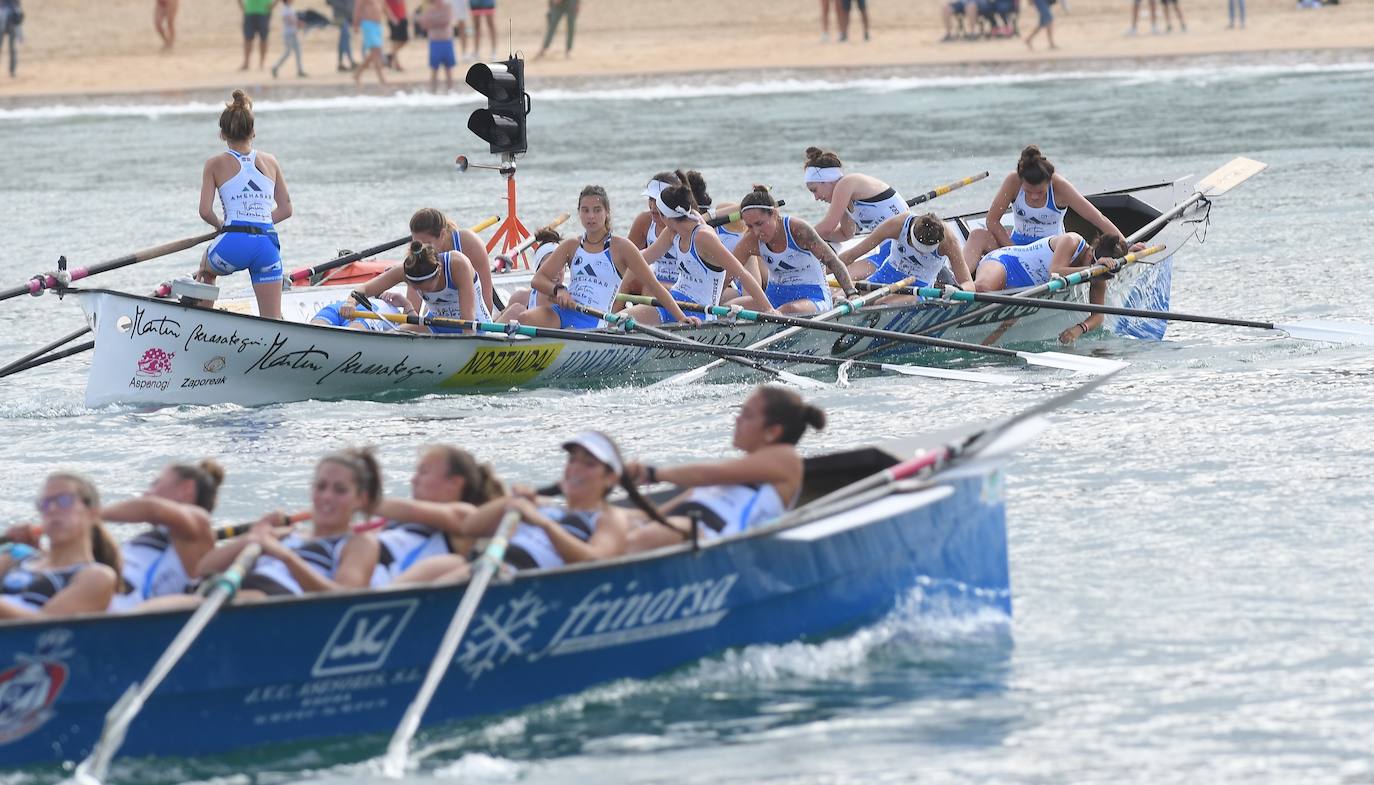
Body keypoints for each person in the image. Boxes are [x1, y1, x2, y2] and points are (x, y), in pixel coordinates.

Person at [396, 432, 633, 581]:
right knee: (442, 565)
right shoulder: (545, 505)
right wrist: (509, 502)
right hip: (486, 566)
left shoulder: (608, 518)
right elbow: (470, 526)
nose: (575, 469)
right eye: (572, 461)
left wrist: (542, 523)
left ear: (610, 478)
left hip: (519, 578)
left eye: (589, 464)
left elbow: (596, 562)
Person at [625, 386, 824, 552]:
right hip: (681, 522)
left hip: (709, 534)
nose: (737, 420)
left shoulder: (787, 458)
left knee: (637, 539)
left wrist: (652, 474)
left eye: (747, 415)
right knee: (612, 522)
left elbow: (705, 474)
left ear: (773, 432)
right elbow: (662, 511)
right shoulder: (738, 472)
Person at [198, 449, 381, 598]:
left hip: (277, 602)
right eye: (321, 486)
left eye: (340, 490)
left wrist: (286, 556)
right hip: (237, 594)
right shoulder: (287, 534)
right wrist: (253, 537)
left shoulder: (359, 543)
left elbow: (344, 599)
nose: (327, 496)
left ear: (360, 499)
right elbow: (202, 569)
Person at [510, 185, 697, 330]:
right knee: (525, 319)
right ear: (579, 213)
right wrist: (559, 290)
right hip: (566, 311)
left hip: (596, 318)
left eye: (597, 210)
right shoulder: (571, 246)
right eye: (585, 210)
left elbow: (655, 286)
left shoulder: (622, 248)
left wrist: (681, 318)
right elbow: (538, 280)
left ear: (607, 212)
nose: (591, 216)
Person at [195, 90, 292, 320]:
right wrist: (260, 220)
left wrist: (222, 225)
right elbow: (286, 209)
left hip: (234, 243)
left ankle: (201, 325)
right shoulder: (271, 161)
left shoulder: (214, 164)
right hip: (267, 245)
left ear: (222, 134)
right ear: (253, 131)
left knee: (206, 269)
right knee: (272, 318)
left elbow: (205, 211)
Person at [621, 178, 772, 327]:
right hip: (673, 302)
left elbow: (742, 273)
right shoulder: (672, 232)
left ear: (665, 216)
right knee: (617, 321)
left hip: (700, 313)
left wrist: (769, 309)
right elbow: (642, 259)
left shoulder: (704, 237)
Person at [962, 145, 1123, 263]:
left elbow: (1097, 218)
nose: (1033, 197)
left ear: (1049, 181)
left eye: (1040, 192)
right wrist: (1012, 250)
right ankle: (960, 286)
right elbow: (992, 220)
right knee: (977, 235)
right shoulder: (1013, 181)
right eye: (1028, 191)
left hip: (1052, 250)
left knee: (1087, 254)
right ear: (1021, 180)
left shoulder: (1060, 187)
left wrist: (1126, 245)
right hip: (1017, 245)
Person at [371, 445, 504, 585]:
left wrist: (360, 501)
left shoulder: (464, 516)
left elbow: (411, 510)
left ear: (454, 483)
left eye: (423, 472)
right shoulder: (398, 521)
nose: (413, 480)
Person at [102, 461, 222, 611]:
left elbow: (152, 508)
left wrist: (92, 515)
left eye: (155, 484)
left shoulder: (199, 526)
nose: (146, 493)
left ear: (186, 489)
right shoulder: (153, 536)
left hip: (121, 612)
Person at [0, 473, 120, 619]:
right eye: (45, 503)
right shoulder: (16, 557)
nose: (52, 509)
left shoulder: (97, 576)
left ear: (92, 514)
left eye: (64, 500)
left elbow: (45, 629)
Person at [728, 185, 860, 315]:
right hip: (773, 301)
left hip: (813, 297)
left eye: (759, 223)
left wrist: (851, 293)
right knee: (728, 306)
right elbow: (729, 273)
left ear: (774, 214)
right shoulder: (751, 240)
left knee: (789, 310)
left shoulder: (798, 230)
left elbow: (832, 261)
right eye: (749, 226)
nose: (756, 232)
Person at [352, 241, 485, 333]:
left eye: (427, 288)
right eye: (418, 288)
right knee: (395, 334)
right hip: (436, 325)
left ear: (439, 271)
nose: (423, 291)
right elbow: (364, 289)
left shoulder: (457, 264)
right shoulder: (405, 269)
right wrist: (350, 303)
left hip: (475, 327)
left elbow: (468, 318)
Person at [839, 212, 973, 302]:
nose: (921, 253)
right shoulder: (897, 225)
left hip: (920, 288)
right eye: (920, 248)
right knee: (839, 297)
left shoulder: (949, 242)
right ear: (910, 234)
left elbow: (969, 285)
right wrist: (823, 269)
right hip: (886, 276)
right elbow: (852, 255)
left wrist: (957, 291)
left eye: (927, 250)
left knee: (880, 303)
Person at [803, 147, 908, 243]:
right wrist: (816, 236)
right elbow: (845, 234)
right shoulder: (844, 197)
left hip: (905, 239)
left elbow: (827, 228)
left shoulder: (846, 183)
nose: (816, 198)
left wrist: (797, 238)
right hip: (895, 242)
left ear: (827, 180)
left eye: (814, 190)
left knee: (843, 262)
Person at [408, 207, 496, 316]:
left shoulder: (470, 244)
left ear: (442, 235)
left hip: (472, 312)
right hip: (441, 313)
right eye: (417, 244)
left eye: (427, 243)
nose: (422, 251)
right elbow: (413, 307)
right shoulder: (418, 254)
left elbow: (486, 298)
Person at [310, 290, 406, 330]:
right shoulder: (396, 310)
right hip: (367, 313)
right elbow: (412, 331)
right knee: (349, 339)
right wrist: (407, 305)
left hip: (343, 307)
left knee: (313, 332)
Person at [420, 0, 455, 90]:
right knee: (434, 69)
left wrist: (432, 23)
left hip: (446, 40)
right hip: (435, 42)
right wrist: (437, 22)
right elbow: (424, 24)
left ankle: (450, 90)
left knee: (448, 68)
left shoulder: (447, 7)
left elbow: (446, 21)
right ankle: (433, 90)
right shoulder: (429, 9)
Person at [353, 0, 390, 85]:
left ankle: (358, 73)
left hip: (378, 25)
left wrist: (391, 18)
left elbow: (384, 7)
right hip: (368, 24)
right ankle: (382, 78)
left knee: (375, 52)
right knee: (376, 51)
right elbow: (358, 8)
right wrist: (356, 24)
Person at [271, 0, 307, 78]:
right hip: (288, 34)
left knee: (298, 51)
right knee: (287, 52)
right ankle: (275, 67)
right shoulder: (285, 9)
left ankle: (300, 70)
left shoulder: (291, 8)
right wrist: (298, 23)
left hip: (293, 33)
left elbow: (292, 19)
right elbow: (287, 19)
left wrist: (298, 24)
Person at [240, 0, 276, 71]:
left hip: (263, 12)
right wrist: (243, 8)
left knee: (263, 39)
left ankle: (261, 63)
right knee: (248, 39)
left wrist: (272, 6)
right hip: (250, 12)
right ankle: (246, 63)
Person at [328, 0, 357, 70]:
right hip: (339, 16)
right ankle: (351, 61)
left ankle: (340, 63)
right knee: (345, 36)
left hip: (347, 16)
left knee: (343, 39)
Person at [384, 0, 409, 70]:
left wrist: (405, 14)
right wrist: (391, 17)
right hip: (395, 19)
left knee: (404, 40)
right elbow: (385, 5)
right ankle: (396, 64)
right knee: (396, 41)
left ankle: (390, 56)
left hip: (402, 17)